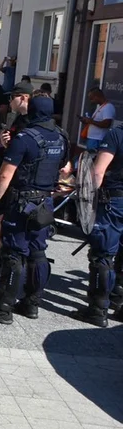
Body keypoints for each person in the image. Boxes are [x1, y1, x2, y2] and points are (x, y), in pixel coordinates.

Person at [0, 88, 68, 324]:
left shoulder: (25, 138)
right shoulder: (61, 136)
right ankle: (32, 303)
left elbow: (5, 175)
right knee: (38, 252)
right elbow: (65, 168)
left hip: (21, 200)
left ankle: (3, 308)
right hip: (44, 203)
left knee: (14, 253)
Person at [77, 124, 123, 327]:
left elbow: (98, 172)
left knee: (102, 255)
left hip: (114, 201)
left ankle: (97, 309)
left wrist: (87, 202)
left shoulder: (117, 134)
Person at [78, 87, 116, 153]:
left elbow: (107, 124)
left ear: (97, 97)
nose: (91, 101)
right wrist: (86, 121)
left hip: (98, 140)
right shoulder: (100, 107)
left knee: (93, 159)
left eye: (91, 99)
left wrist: (91, 121)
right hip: (93, 139)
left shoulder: (108, 107)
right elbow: (96, 122)